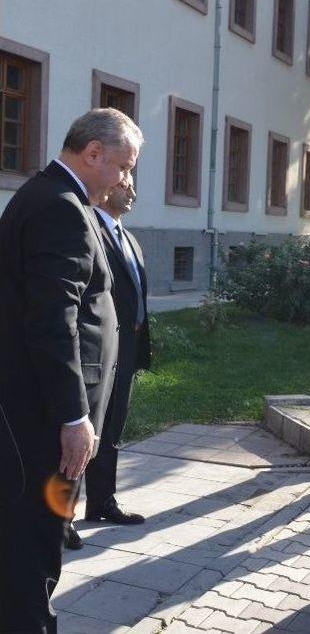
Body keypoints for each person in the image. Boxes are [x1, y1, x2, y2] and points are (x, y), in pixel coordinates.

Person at [0, 108, 143, 634]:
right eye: (125, 167)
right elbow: (52, 321)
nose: (127, 179)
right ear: (93, 153)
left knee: (44, 533)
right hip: (46, 425)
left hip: (50, 422)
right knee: (34, 543)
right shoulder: (59, 207)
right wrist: (73, 416)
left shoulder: (57, 199)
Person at [66, 176, 151, 549]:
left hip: (126, 348)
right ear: (107, 185)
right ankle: (61, 517)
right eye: (125, 182)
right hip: (95, 351)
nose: (132, 190)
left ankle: (102, 501)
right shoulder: (89, 228)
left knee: (112, 428)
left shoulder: (128, 236)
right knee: (79, 435)